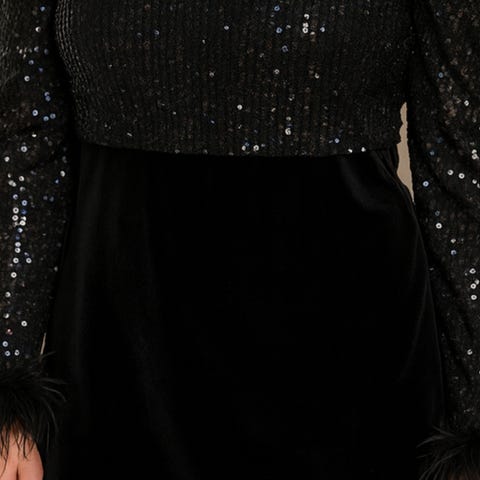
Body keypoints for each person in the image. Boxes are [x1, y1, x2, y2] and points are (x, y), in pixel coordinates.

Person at [0, 1, 478, 479]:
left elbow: (457, 167)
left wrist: (472, 422)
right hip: (119, 370)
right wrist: (8, 393)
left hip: (351, 372)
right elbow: (25, 148)